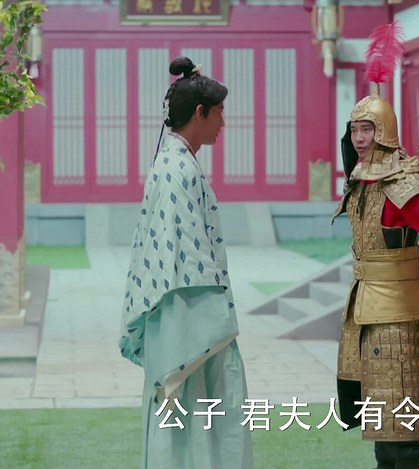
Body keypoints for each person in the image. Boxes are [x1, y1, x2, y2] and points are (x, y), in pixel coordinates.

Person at [119, 56, 253, 469]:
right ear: (199, 112)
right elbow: (183, 258)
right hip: (189, 319)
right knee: (198, 412)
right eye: (219, 112)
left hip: (182, 316)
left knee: (194, 419)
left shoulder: (174, 161)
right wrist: (213, 322)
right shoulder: (179, 169)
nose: (223, 122)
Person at [333, 21, 419, 469]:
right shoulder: (360, 177)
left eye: (368, 129)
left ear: (385, 131)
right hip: (365, 304)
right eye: (355, 130)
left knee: (400, 411)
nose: (359, 138)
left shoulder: (401, 176)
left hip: (395, 308)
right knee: (379, 411)